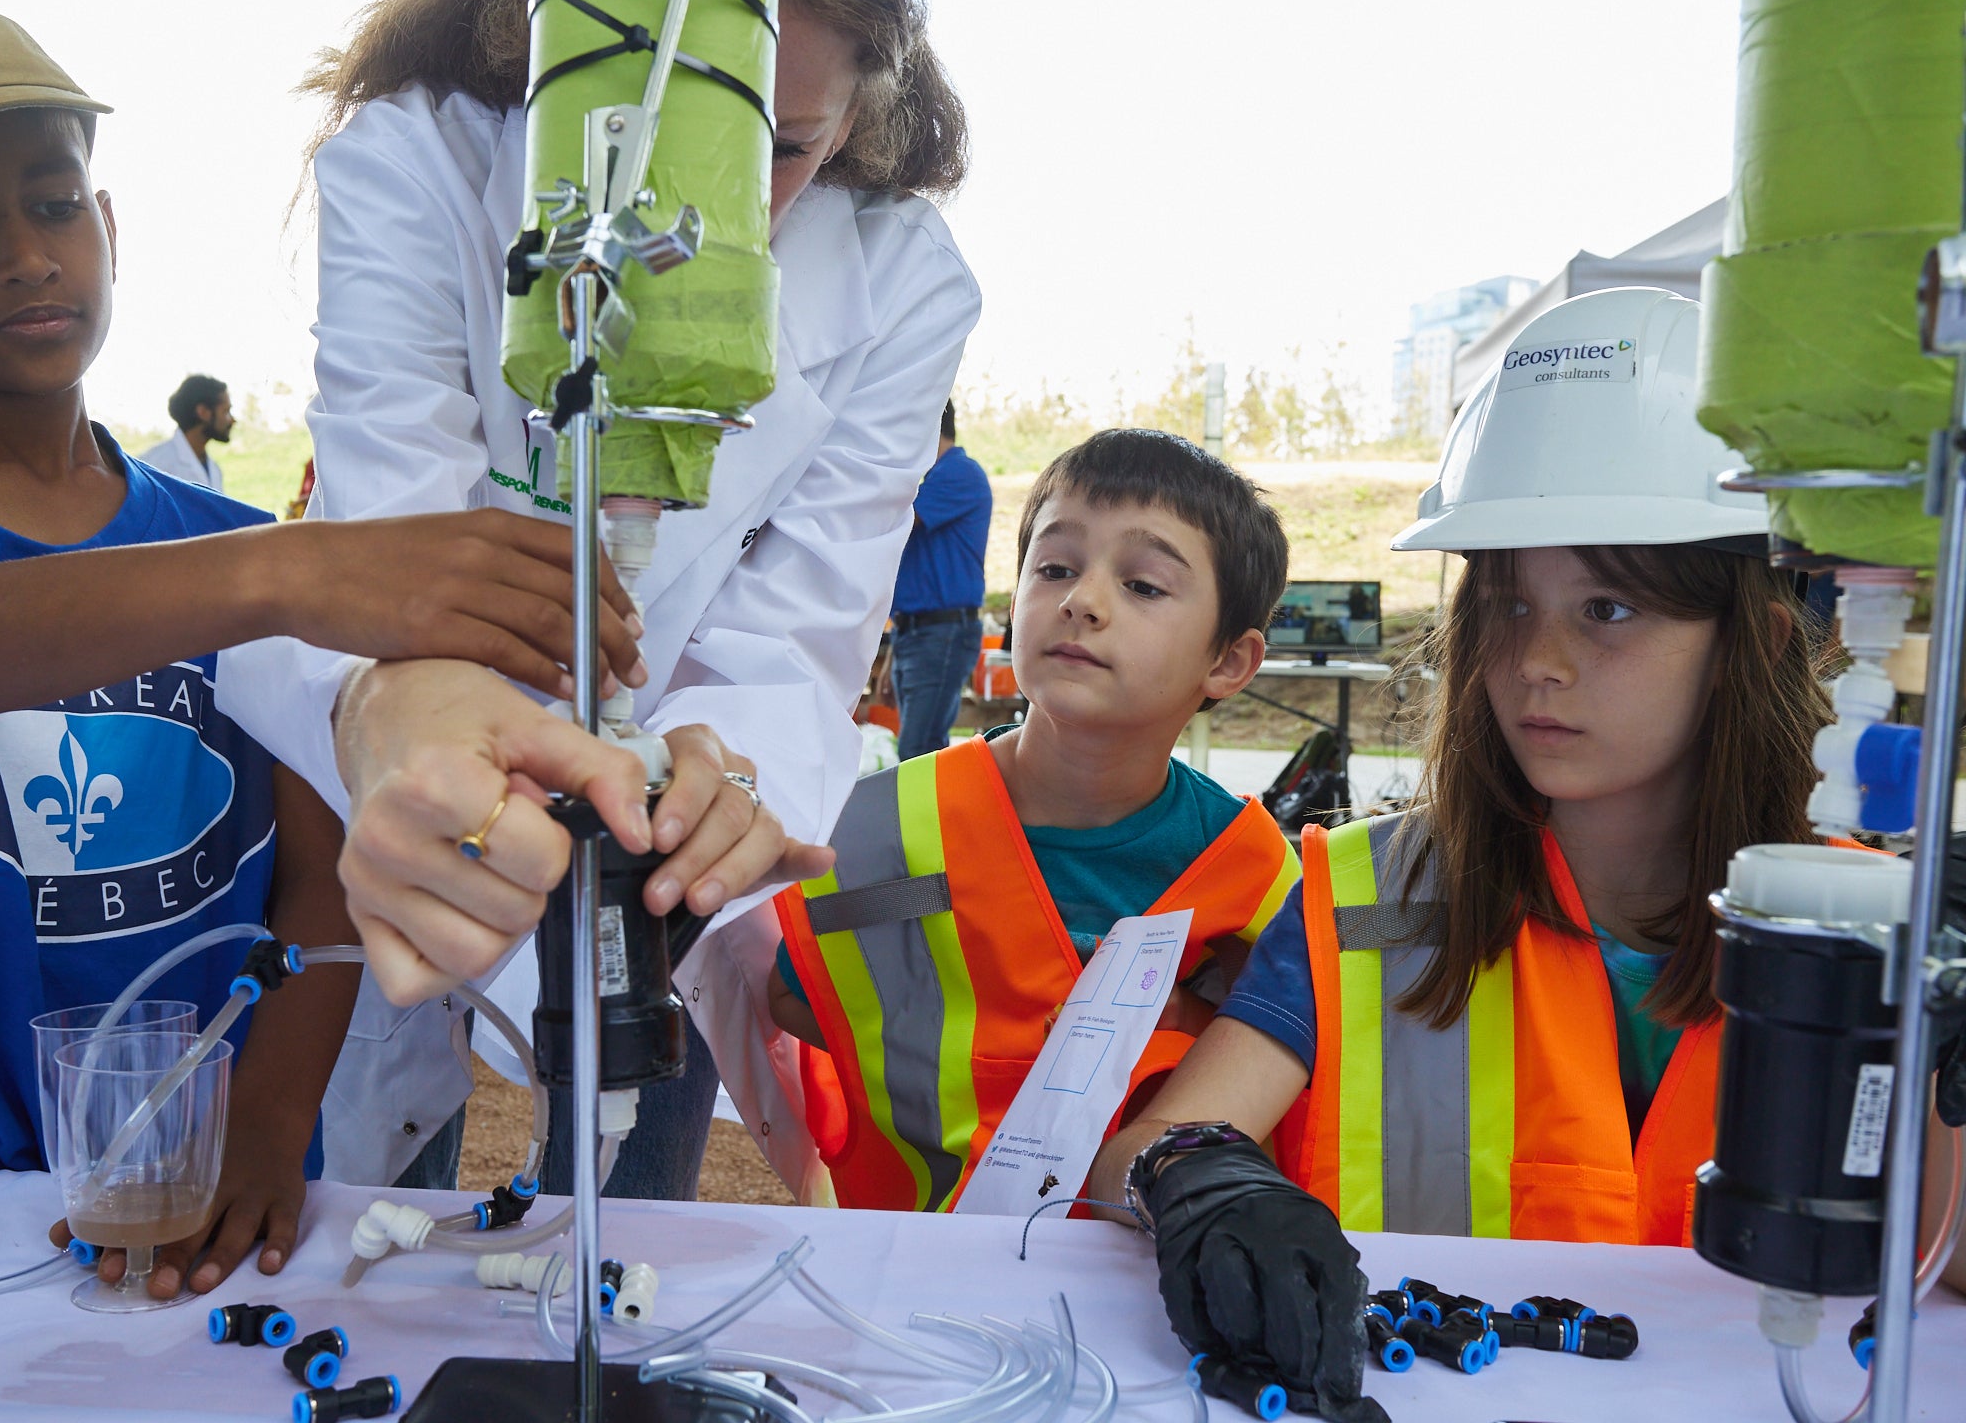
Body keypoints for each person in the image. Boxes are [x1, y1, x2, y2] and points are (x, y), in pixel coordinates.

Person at [0, 0, 644, 1194]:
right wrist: (297, 572)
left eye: (54, 205)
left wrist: (264, 1123)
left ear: (106, 225)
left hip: (200, 1174)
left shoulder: (227, 541)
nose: (26, 253)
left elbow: (315, 882)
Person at [212, 0, 980, 1204]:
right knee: (387, 1178)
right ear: (538, 49)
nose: (701, 205)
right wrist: (436, 725)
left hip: (662, 819)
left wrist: (724, 779)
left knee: (627, 1207)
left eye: (778, 151)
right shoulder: (418, 165)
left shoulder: (902, 280)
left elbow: (800, 636)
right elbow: (396, 536)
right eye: (639, 139)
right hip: (437, 751)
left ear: (854, 120)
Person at [1085, 288, 1841, 1422]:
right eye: (1505, 602)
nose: (1536, 660)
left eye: (1607, 609)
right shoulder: (1363, 899)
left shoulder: (1861, 931)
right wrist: (1196, 1181)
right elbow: (1145, 1147)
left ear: (1755, 639)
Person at [766, 430, 1300, 1209]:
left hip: (1130, 1283)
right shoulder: (874, 831)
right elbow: (794, 995)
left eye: (1145, 585)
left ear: (1228, 662)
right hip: (900, 1260)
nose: (1081, 600)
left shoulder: (1253, 876)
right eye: (1053, 568)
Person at [887, 398, 990, 759]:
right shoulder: (934, 479)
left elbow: (894, 520)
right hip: (915, 632)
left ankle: (924, 818)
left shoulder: (958, 473)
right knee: (919, 749)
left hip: (940, 633)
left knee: (919, 751)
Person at [138, 374, 232, 491]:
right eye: (226, 411)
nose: (232, 420)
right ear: (203, 412)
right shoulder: (153, 465)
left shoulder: (214, 470)